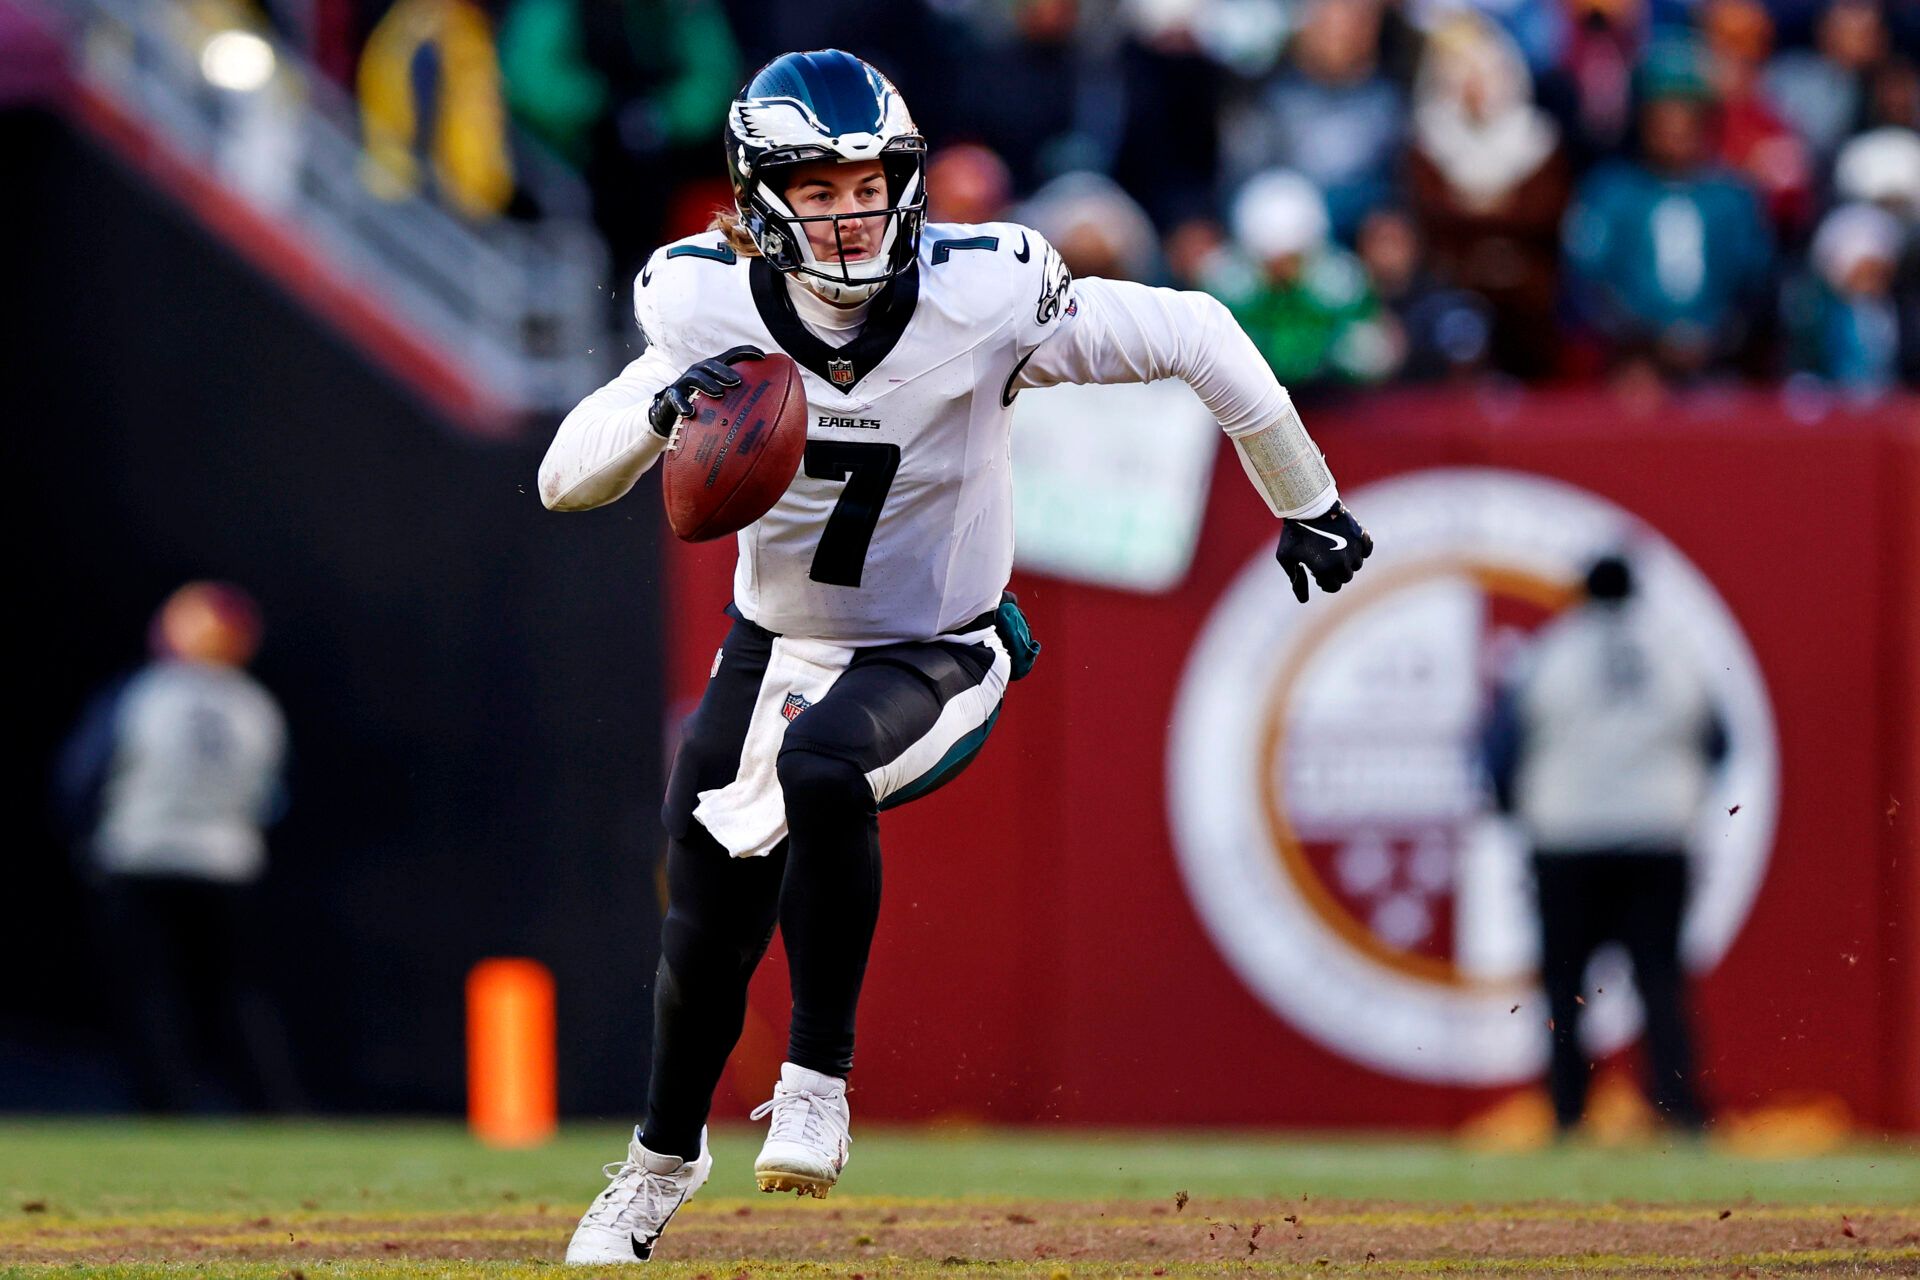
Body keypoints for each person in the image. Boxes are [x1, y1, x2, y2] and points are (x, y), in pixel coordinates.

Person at [538, 49, 1373, 1263]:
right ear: (761, 197)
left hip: (939, 646)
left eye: (870, 180)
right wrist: (661, 414)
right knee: (703, 927)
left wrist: (1306, 498)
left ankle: (817, 1076)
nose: (850, 209)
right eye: (817, 189)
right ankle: (661, 1160)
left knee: (823, 763)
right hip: (773, 641)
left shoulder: (983, 294)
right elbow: (567, 477)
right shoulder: (699, 303)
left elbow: (1196, 330)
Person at [1482, 555, 1721, 1135]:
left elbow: (1501, 749)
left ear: (1581, 595)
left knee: (1565, 985)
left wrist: (1521, 813)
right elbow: (1718, 744)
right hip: (1658, 841)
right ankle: (1679, 1112)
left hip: (1566, 841)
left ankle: (1568, 1113)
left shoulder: (1549, 653)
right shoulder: (1675, 653)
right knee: (1659, 978)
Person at [54, 582, 300, 1112]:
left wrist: (85, 836)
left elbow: (85, 774)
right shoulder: (255, 706)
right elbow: (273, 796)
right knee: (237, 996)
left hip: (140, 856)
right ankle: (268, 1107)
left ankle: (168, 1105)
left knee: (150, 996)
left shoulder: (145, 692)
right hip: (227, 861)